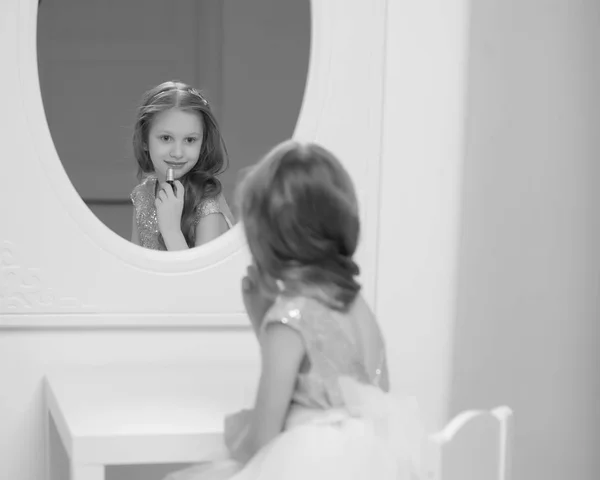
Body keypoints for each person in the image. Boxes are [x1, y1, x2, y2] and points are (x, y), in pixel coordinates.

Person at [163, 140, 425, 480]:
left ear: (265, 238)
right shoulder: (355, 303)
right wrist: (265, 323)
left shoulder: (288, 319)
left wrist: (267, 321)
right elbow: (338, 383)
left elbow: (262, 443)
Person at [130, 80, 234, 251]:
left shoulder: (208, 204)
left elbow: (203, 278)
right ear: (144, 140)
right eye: (165, 138)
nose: (178, 153)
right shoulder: (142, 196)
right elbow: (134, 269)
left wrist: (171, 231)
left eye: (190, 140)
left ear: (202, 143)